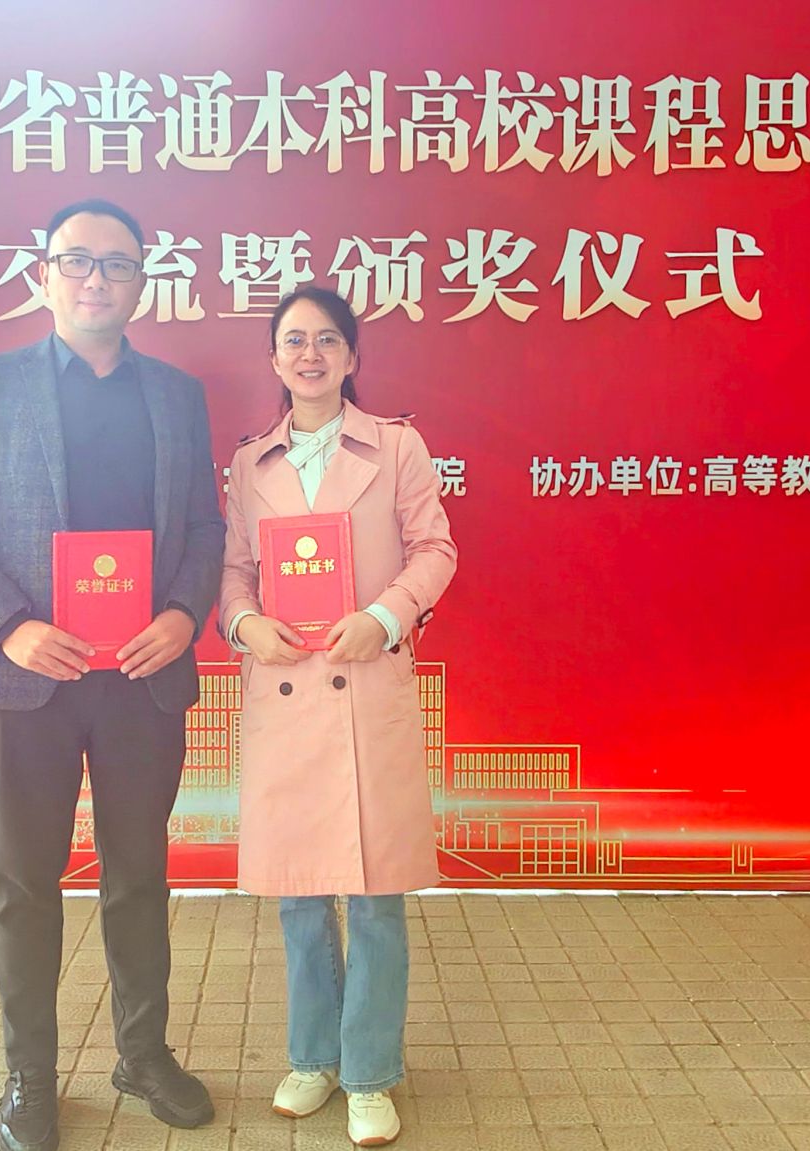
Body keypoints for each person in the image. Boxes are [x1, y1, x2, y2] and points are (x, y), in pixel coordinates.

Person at [0, 199, 224, 1151]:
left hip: (141, 675)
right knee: (25, 881)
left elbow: (206, 527)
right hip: (29, 681)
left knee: (139, 874)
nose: (97, 278)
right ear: (44, 274)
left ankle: (143, 1054)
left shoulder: (175, 394)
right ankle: (31, 1077)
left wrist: (184, 615)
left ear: (142, 282)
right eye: (78, 261)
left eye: (118, 264)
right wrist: (10, 626)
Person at [218, 284, 457, 1147]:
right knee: (299, 897)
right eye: (293, 340)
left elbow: (435, 548)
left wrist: (385, 615)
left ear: (352, 356)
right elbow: (234, 570)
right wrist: (245, 623)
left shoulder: (396, 445)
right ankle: (313, 1057)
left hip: (366, 682)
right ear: (274, 359)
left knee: (377, 898)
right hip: (287, 692)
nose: (309, 354)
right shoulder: (252, 464)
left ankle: (369, 1071)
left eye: (326, 339)